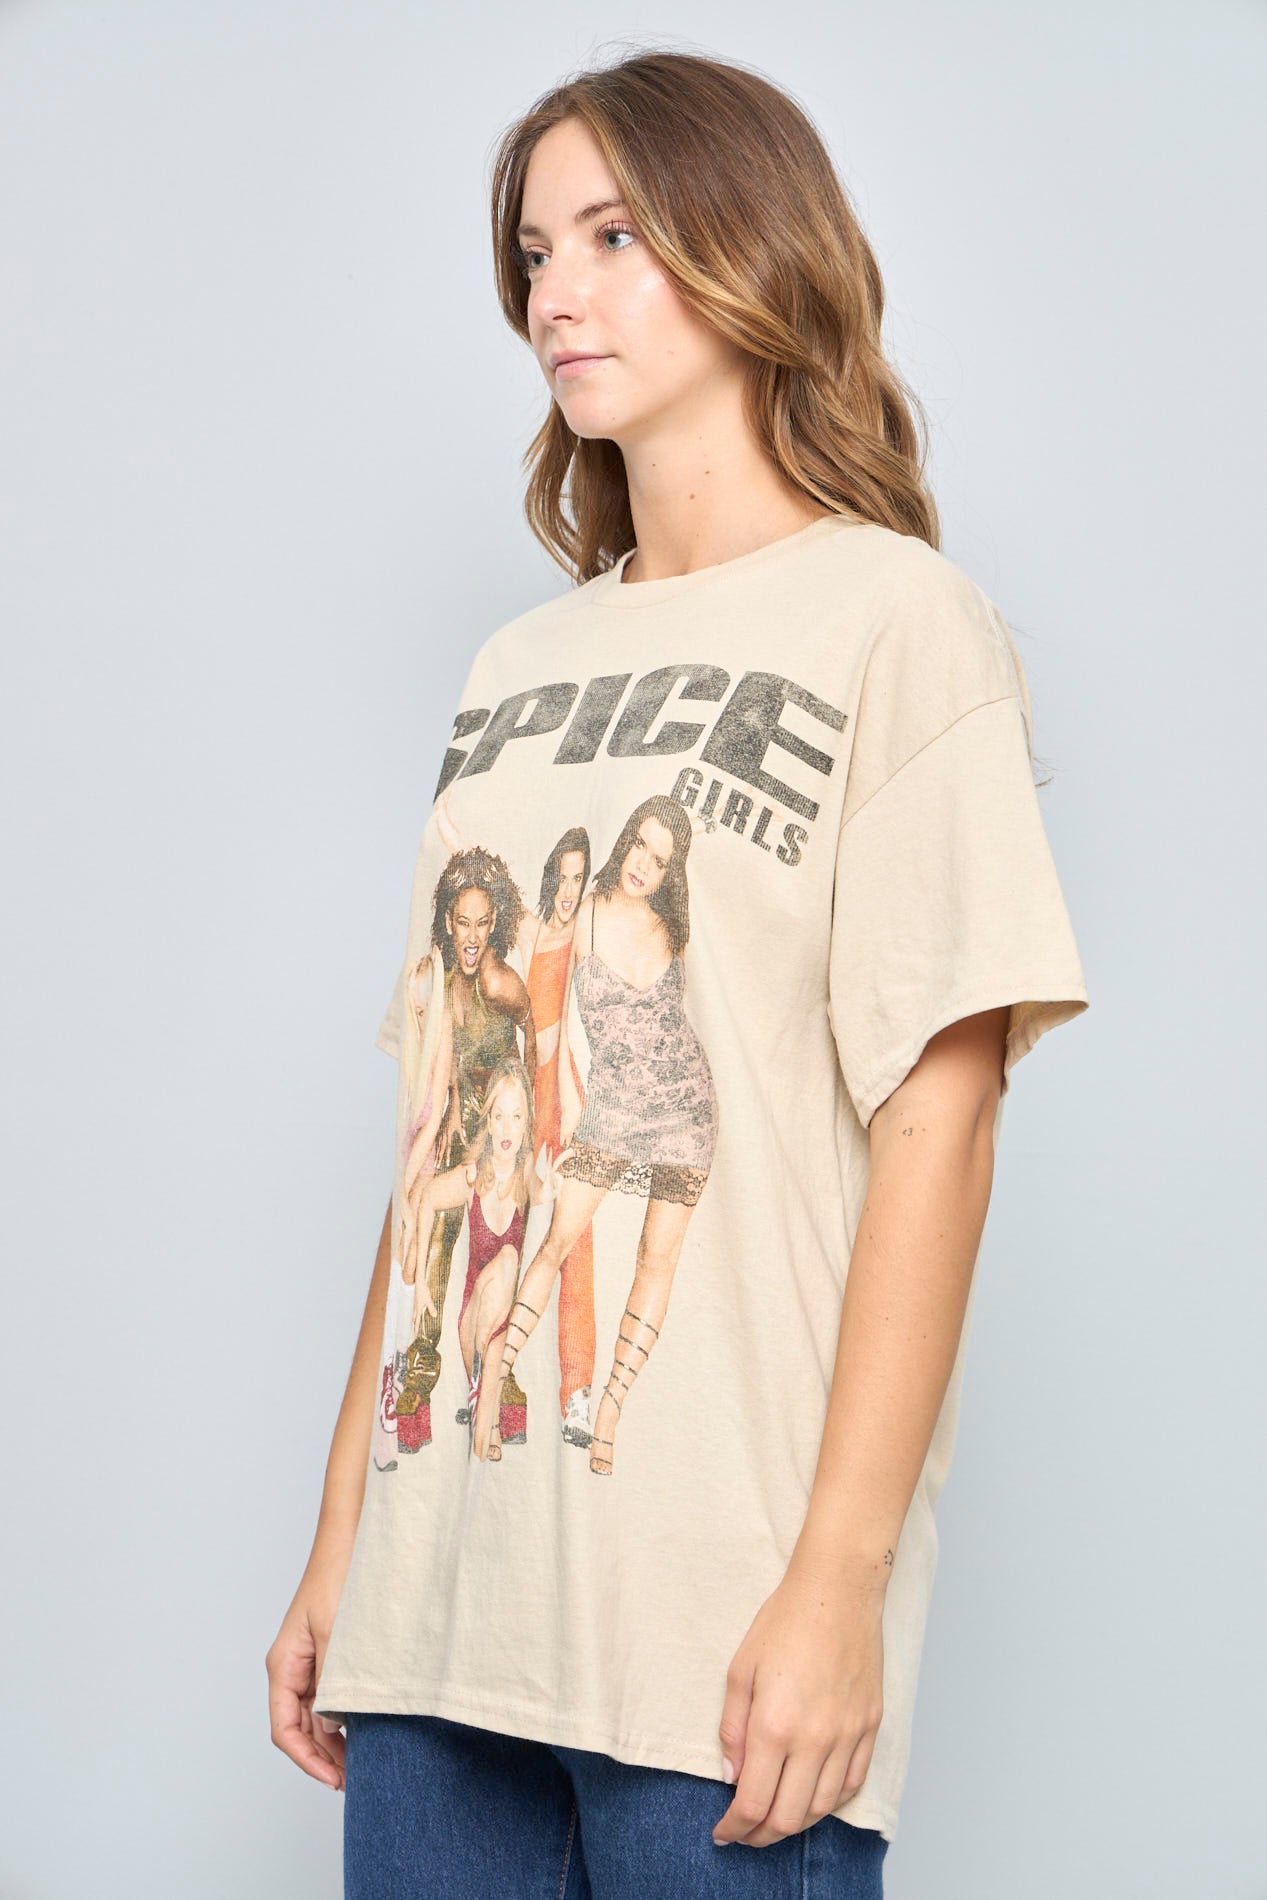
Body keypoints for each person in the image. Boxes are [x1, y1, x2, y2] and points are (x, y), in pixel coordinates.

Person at [265, 47, 1090, 1898]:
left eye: (613, 236)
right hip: (436, 1612)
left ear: (749, 241)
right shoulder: (514, 671)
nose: (554, 294)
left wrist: (839, 1583)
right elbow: (441, 1130)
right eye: (533, 253)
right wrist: (339, 1544)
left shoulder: (897, 621)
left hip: (715, 1630)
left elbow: (941, 1123)